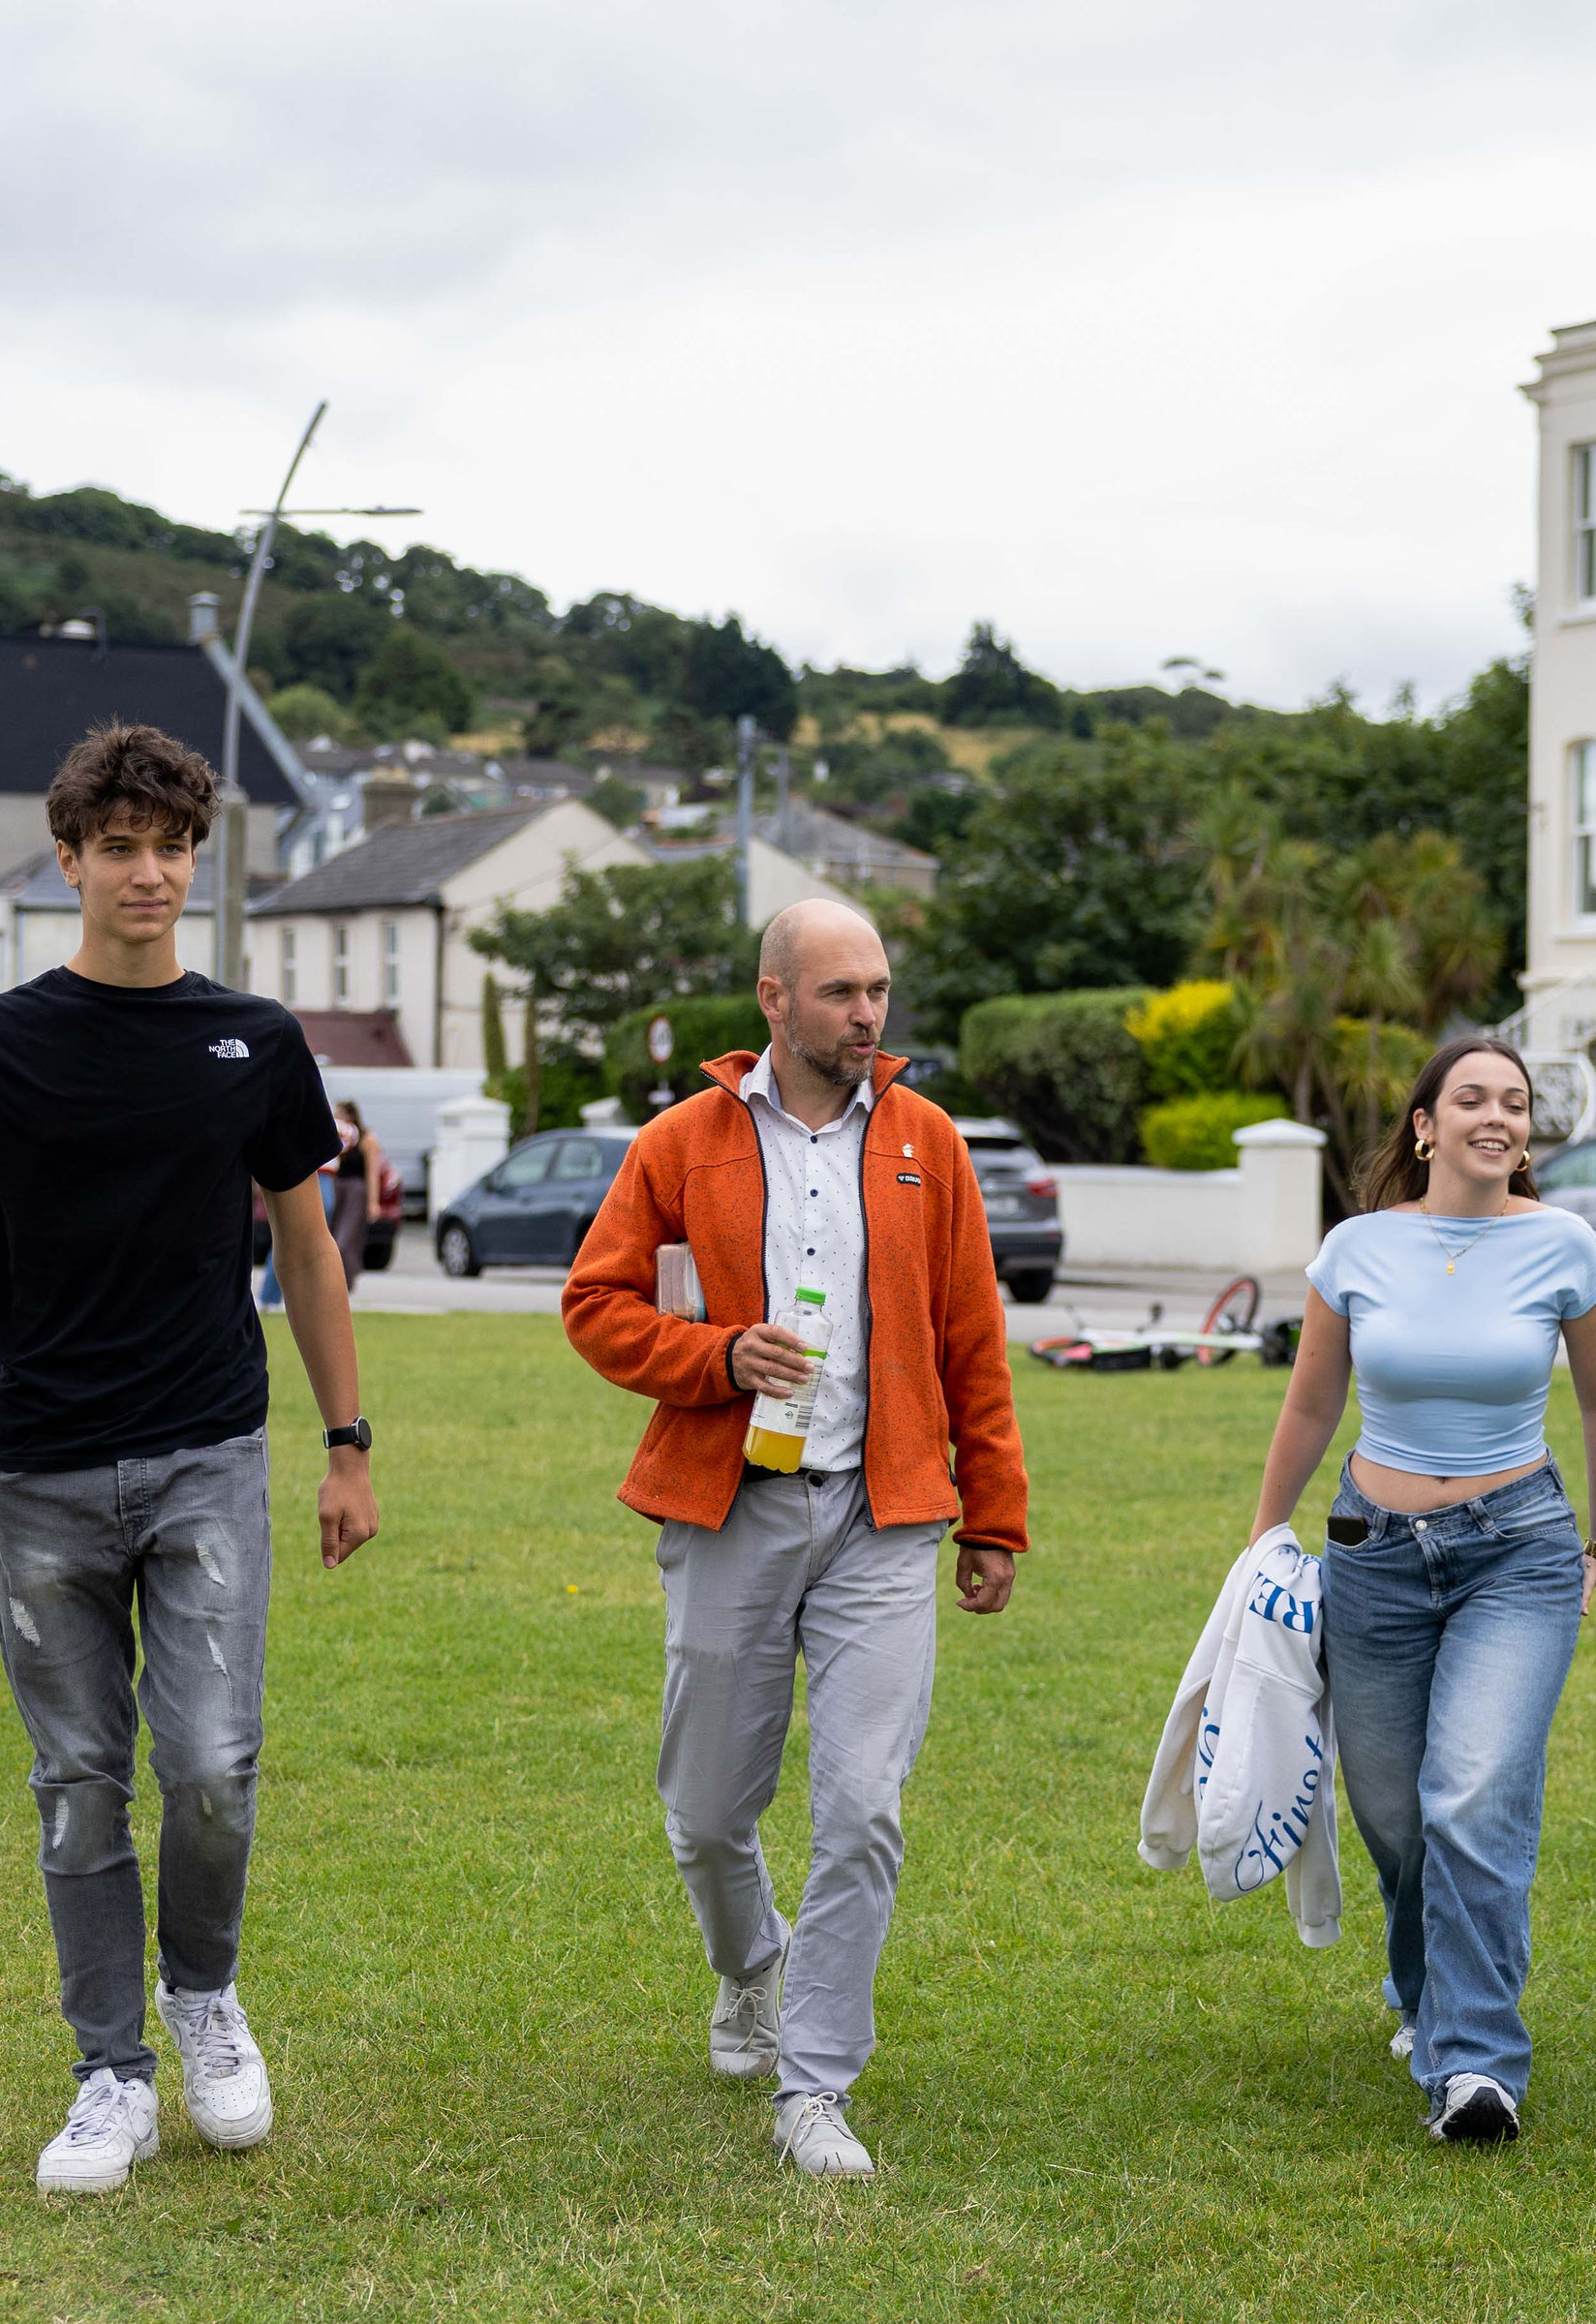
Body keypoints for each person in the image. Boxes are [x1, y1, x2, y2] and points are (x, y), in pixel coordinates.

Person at [0, 721, 383, 2196]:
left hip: (205, 1456)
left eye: (174, 849)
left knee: (214, 1767)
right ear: (71, 862)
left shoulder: (256, 1043)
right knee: (78, 1782)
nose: (151, 873)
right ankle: (108, 2072)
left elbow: (309, 1254)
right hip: (43, 1463)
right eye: (121, 848)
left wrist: (347, 1445)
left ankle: (204, 1997)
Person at [561, 897, 1028, 2181]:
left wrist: (992, 1512)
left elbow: (971, 1341)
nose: (867, 1014)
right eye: (839, 992)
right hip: (733, 1508)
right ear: (774, 998)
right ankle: (750, 1967)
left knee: (865, 1810)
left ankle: (814, 2087)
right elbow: (595, 1306)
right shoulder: (684, 1140)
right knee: (708, 1813)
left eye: (877, 989)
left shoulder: (930, 1142)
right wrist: (714, 1356)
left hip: (885, 1520)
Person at [1243, 1033, 1596, 2147]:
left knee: (1471, 1792)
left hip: (1519, 1551)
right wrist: (1264, 1538)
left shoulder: (1566, 1244)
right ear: (1426, 1126)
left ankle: (1477, 2067)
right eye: (1472, 1099)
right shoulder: (1358, 1248)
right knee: (1395, 1812)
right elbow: (1312, 1408)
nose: (1497, 1116)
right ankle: (1422, 1990)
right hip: (1372, 1552)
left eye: (1515, 1102)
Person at [327, 1102, 378, 1288]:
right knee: (330, 1236)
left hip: (355, 1190)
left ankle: (346, 1281)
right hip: (336, 1186)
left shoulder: (366, 1138)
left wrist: (373, 1202)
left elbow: (372, 1172)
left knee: (346, 1238)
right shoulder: (337, 1137)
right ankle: (332, 1281)